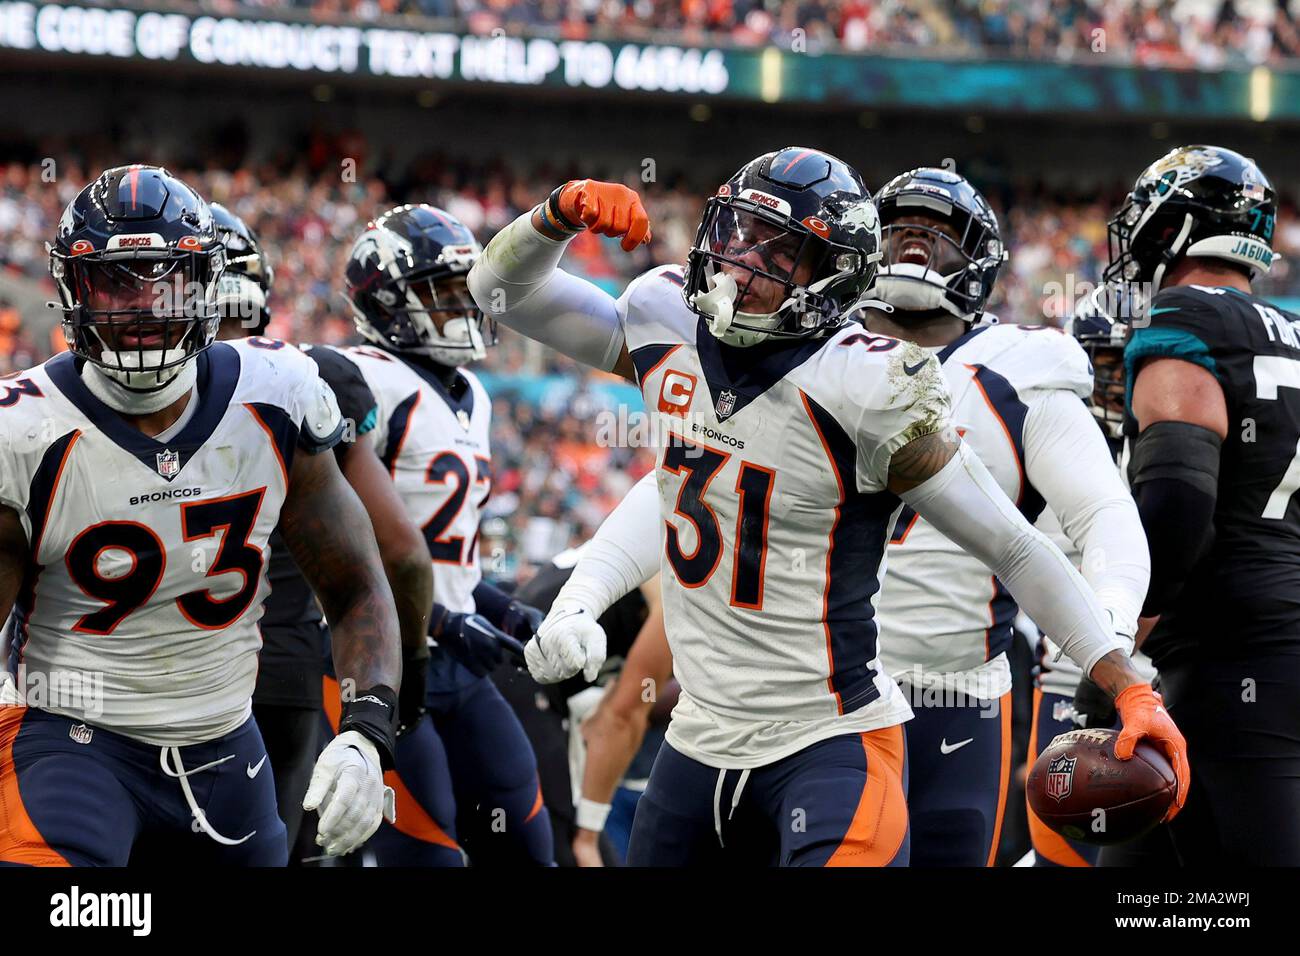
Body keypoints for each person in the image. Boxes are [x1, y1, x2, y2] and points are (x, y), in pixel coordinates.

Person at [467, 147, 1188, 866]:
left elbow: (1014, 547)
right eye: (739, 233)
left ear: (832, 276)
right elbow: (499, 291)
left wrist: (1126, 683)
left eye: (777, 252)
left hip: (828, 744)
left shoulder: (868, 387)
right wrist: (555, 217)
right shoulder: (667, 322)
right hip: (696, 741)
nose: (741, 263)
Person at [0, 165, 400, 866]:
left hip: (226, 747)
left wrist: (368, 730)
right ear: (72, 290)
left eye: (167, 279)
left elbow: (357, 585)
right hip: (70, 741)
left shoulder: (274, 395)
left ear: (208, 284)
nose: (143, 305)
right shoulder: (26, 431)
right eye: (114, 282)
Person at [859, 167, 1150, 866]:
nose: (914, 247)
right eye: (898, 230)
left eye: (938, 235)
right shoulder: (817, 351)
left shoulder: (1019, 369)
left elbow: (1107, 518)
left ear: (979, 263)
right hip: (824, 684)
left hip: (956, 696)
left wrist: (1104, 643)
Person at [328, 203, 553, 866]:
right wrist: (450, 626)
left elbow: (451, 566)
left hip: (450, 660)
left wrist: (509, 612)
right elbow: (358, 551)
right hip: (377, 656)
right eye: (442, 291)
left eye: (467, 290)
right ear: (387, 299)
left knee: (526, 845)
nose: (462, 305)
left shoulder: (473, 396)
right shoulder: (361, 378)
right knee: (428, 858)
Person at [209, 202, 434, 860]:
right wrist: (406, 671)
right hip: (279, 670)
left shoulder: (107, 394)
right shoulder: (306, 378)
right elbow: (401, 553)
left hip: (145, 684)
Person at [1113, 144, 1300, 866]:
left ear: (1174, 225)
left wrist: (1119, 642)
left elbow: (1179, 501)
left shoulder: (1186, 313)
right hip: (1272, 634)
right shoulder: (1285, 331)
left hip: (1225, 655)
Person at [504, 539, 673, 866]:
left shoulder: (665, 549)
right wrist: (588, 834)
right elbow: (619, 719)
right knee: (565, 842)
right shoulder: (674, 589)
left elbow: (606, 719)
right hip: (518, 675)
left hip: (531, 684)